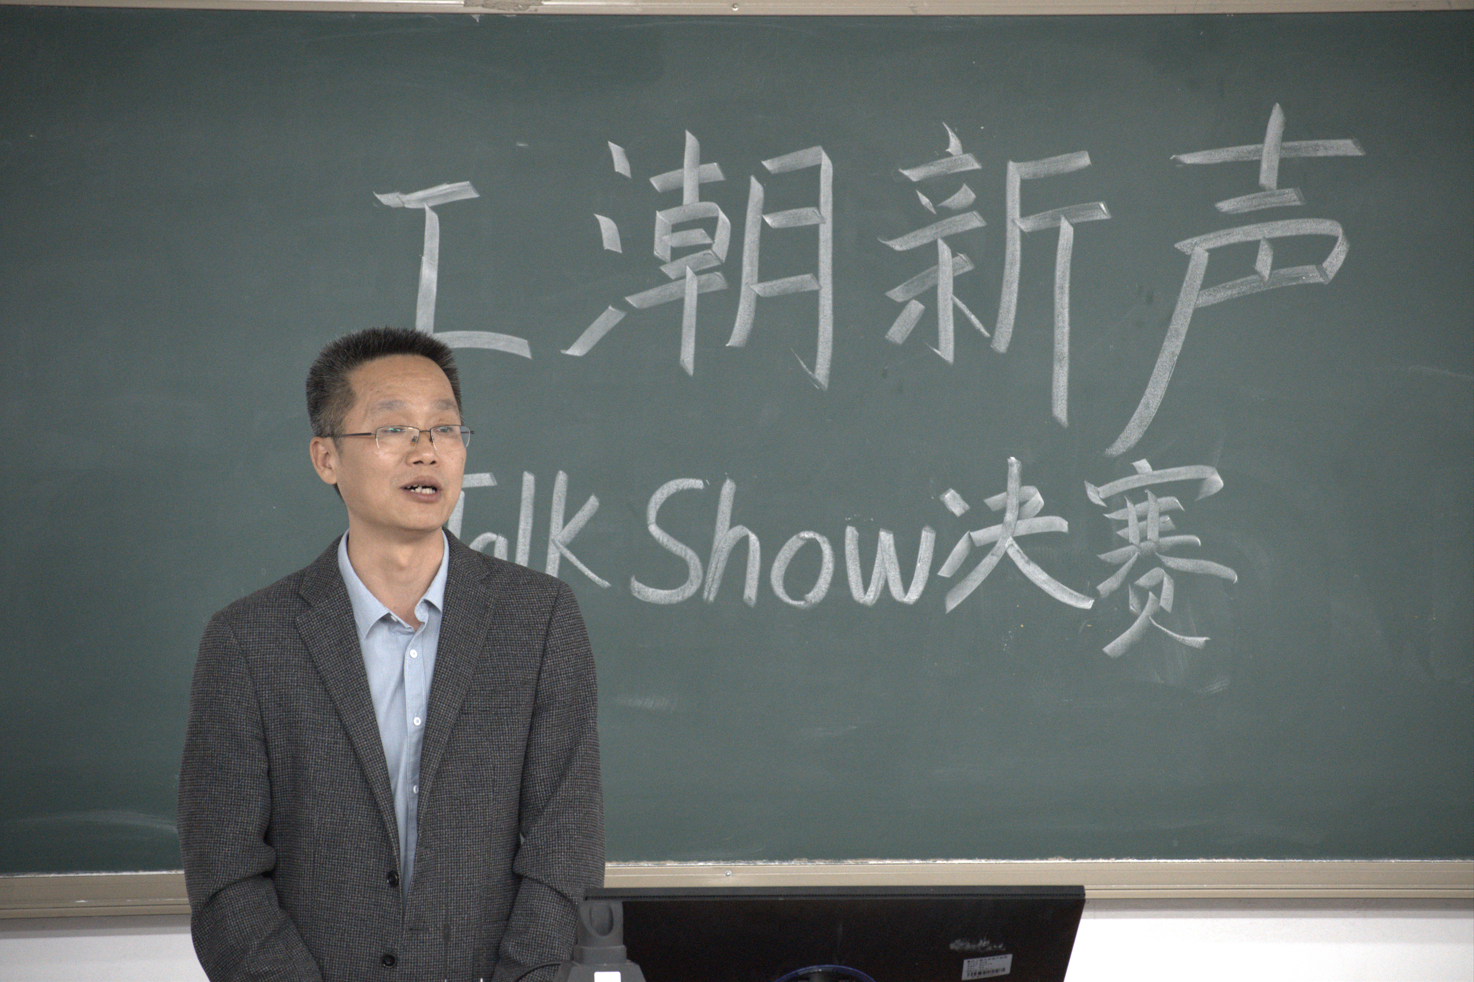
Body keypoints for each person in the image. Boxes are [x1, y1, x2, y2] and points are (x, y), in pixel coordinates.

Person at [179, 327, 603, 982]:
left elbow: (564, 850)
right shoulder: (249, 640)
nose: (426, 450)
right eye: (393, 429)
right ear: (326, 458)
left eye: (445, 429)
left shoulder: (539, 619)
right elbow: (225, 872)